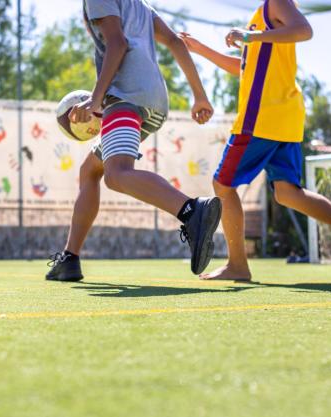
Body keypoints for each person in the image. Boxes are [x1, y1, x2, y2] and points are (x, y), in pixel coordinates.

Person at [179, 0, 331, 281]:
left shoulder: (276, 4)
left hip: (262, 117)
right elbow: (246, 68)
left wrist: (250, 36)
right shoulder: (262, 15)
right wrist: (201, 49)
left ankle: (237, 265)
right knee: (287, 193)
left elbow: (304, 30)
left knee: (222, 184)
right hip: (284, 117)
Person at [46, 0, 221, 282]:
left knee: (116, 174)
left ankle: (192, 210)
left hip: (127, 98)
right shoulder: (138, 5)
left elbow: (118, 44)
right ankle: (70, 258)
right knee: (90, 170)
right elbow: (176, 42)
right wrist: (199, 95)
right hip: (152, 100)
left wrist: (96, 98)